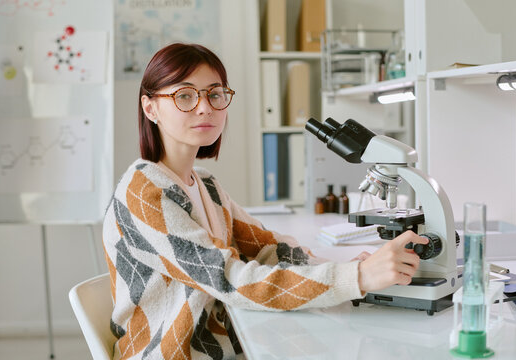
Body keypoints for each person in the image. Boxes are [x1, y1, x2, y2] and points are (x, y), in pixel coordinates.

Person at [102, 43, 428, 360]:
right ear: (150, 108)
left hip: (224, 343)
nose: (205, 107)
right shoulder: (145, 191)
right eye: (184, 96)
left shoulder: (206, 185)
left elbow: (271, 250)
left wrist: (347, 269)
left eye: (215, 94)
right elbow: (228, 280)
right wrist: (356, 278)